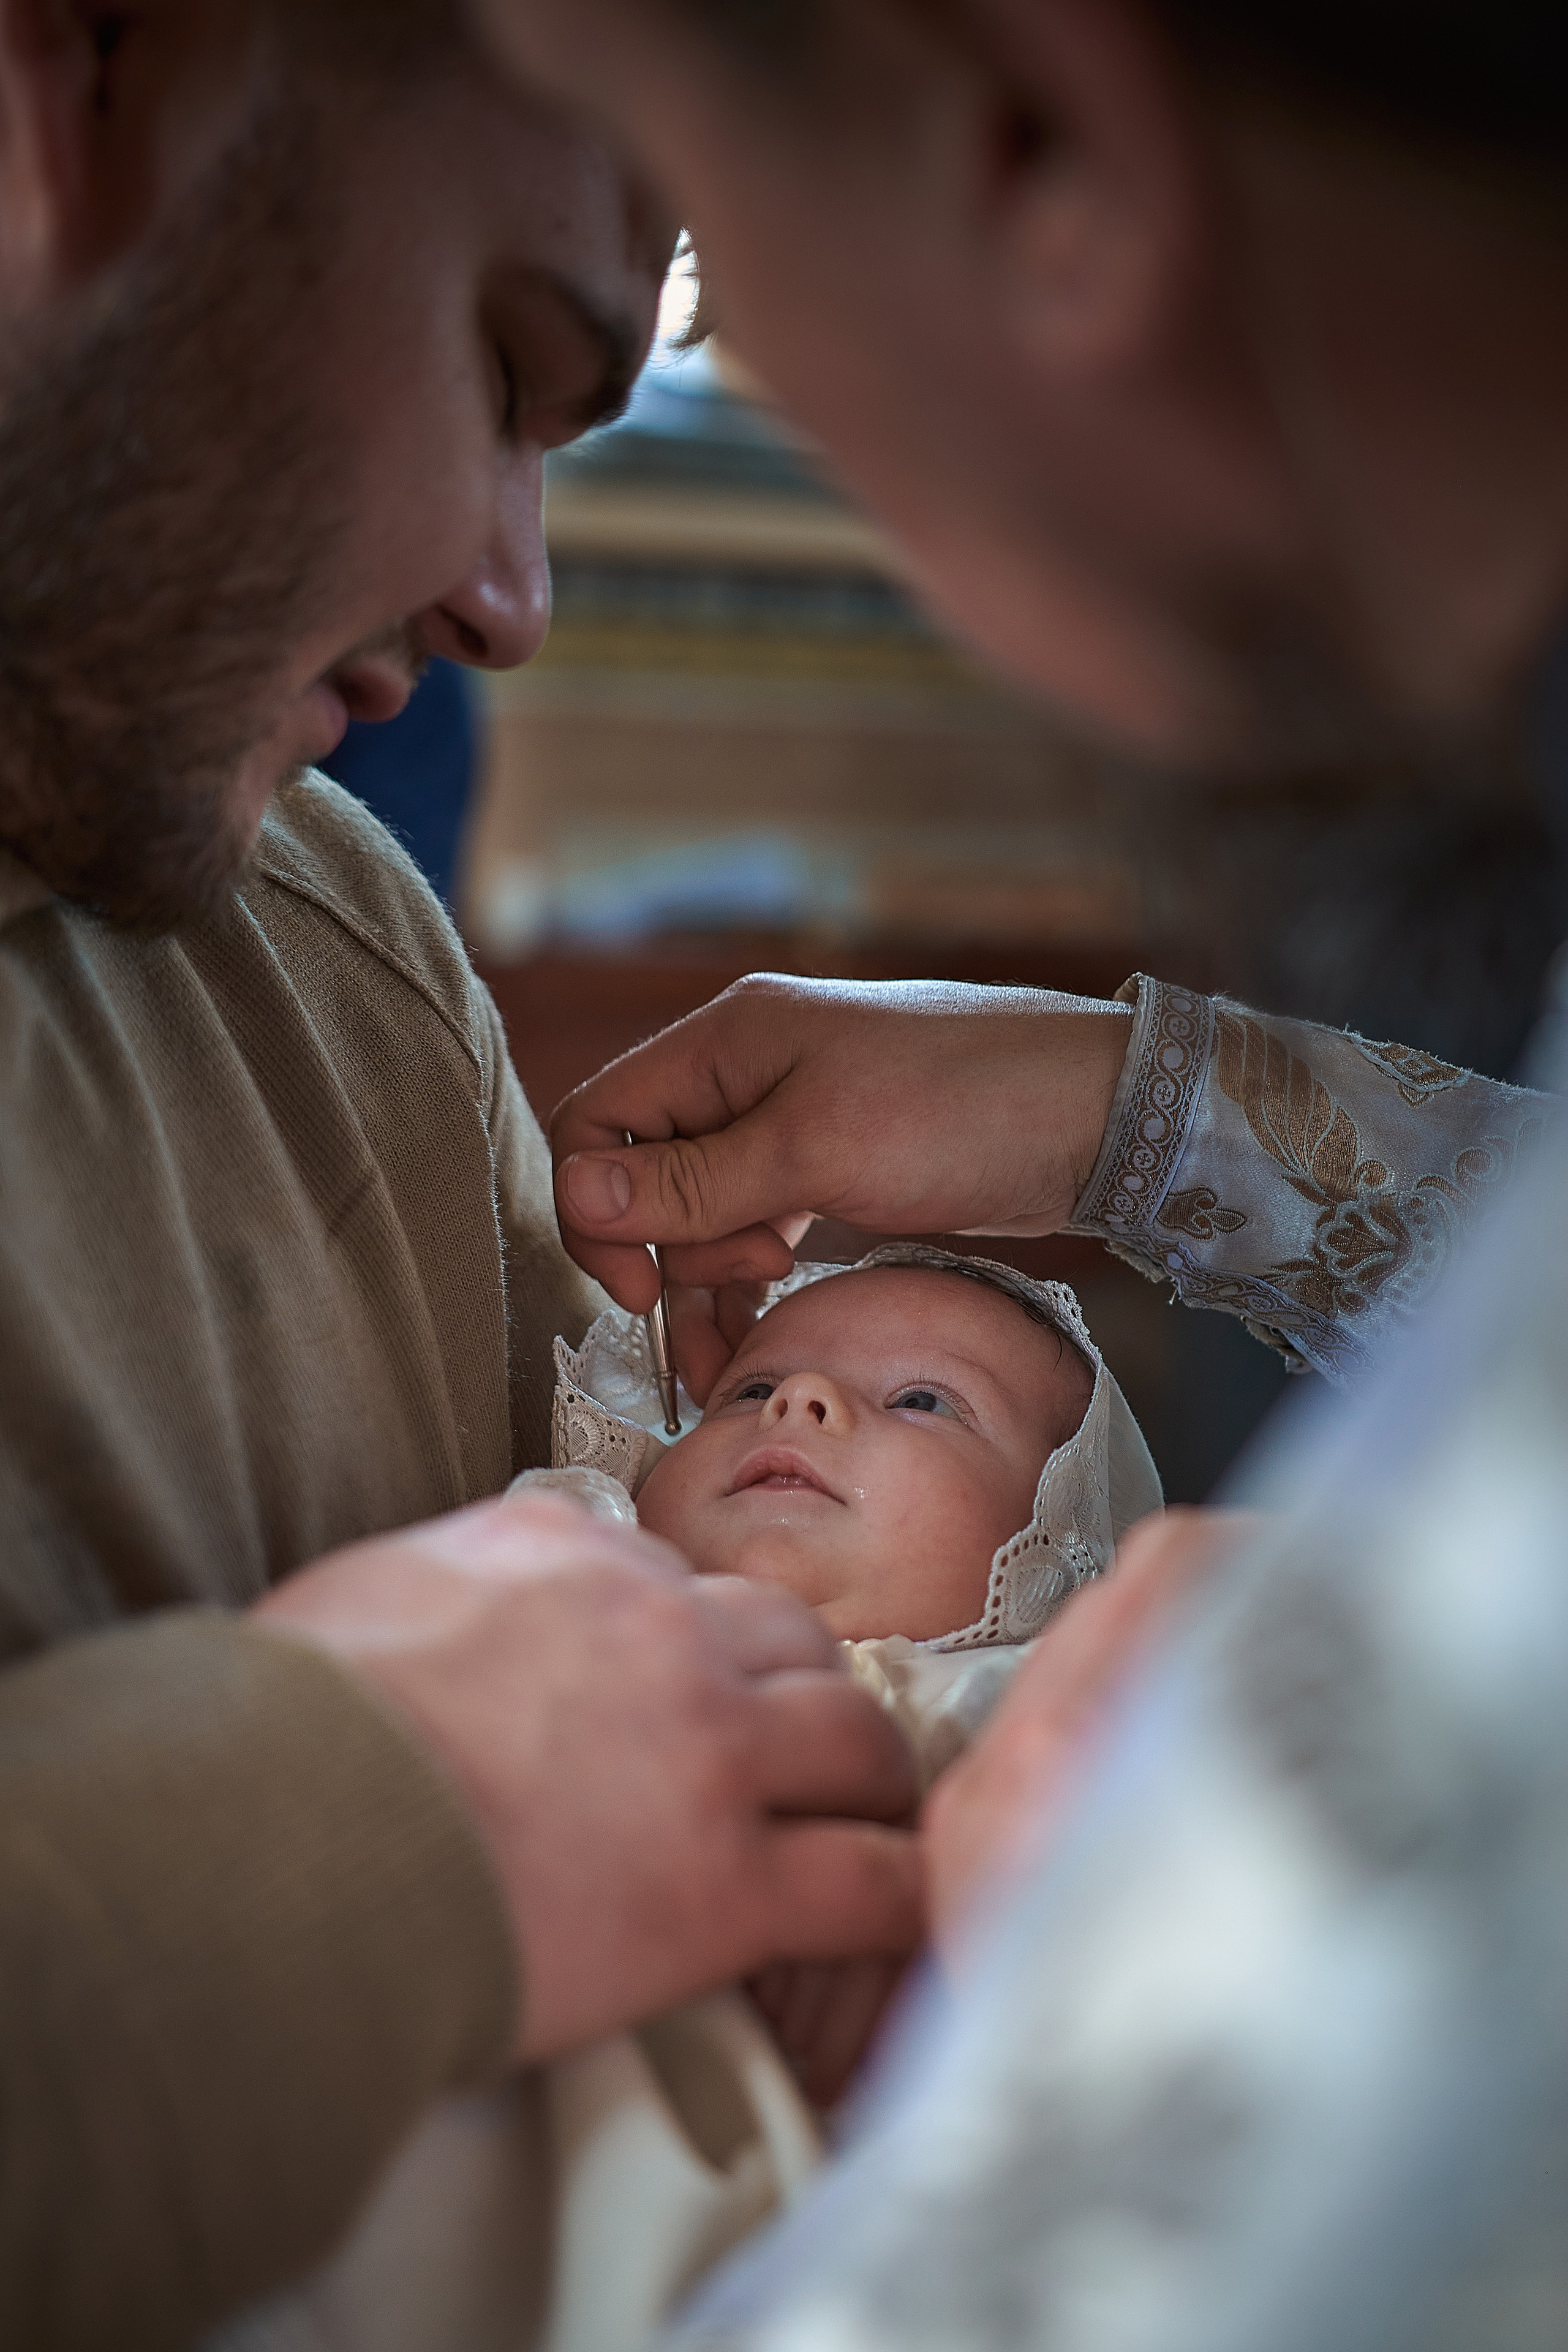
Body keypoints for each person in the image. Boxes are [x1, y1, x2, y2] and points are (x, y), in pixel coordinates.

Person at [0, 7, 921, 2345]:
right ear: (58, 88)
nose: (513, 594)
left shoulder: (340, 978)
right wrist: (346, 1836)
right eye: (503, 365)